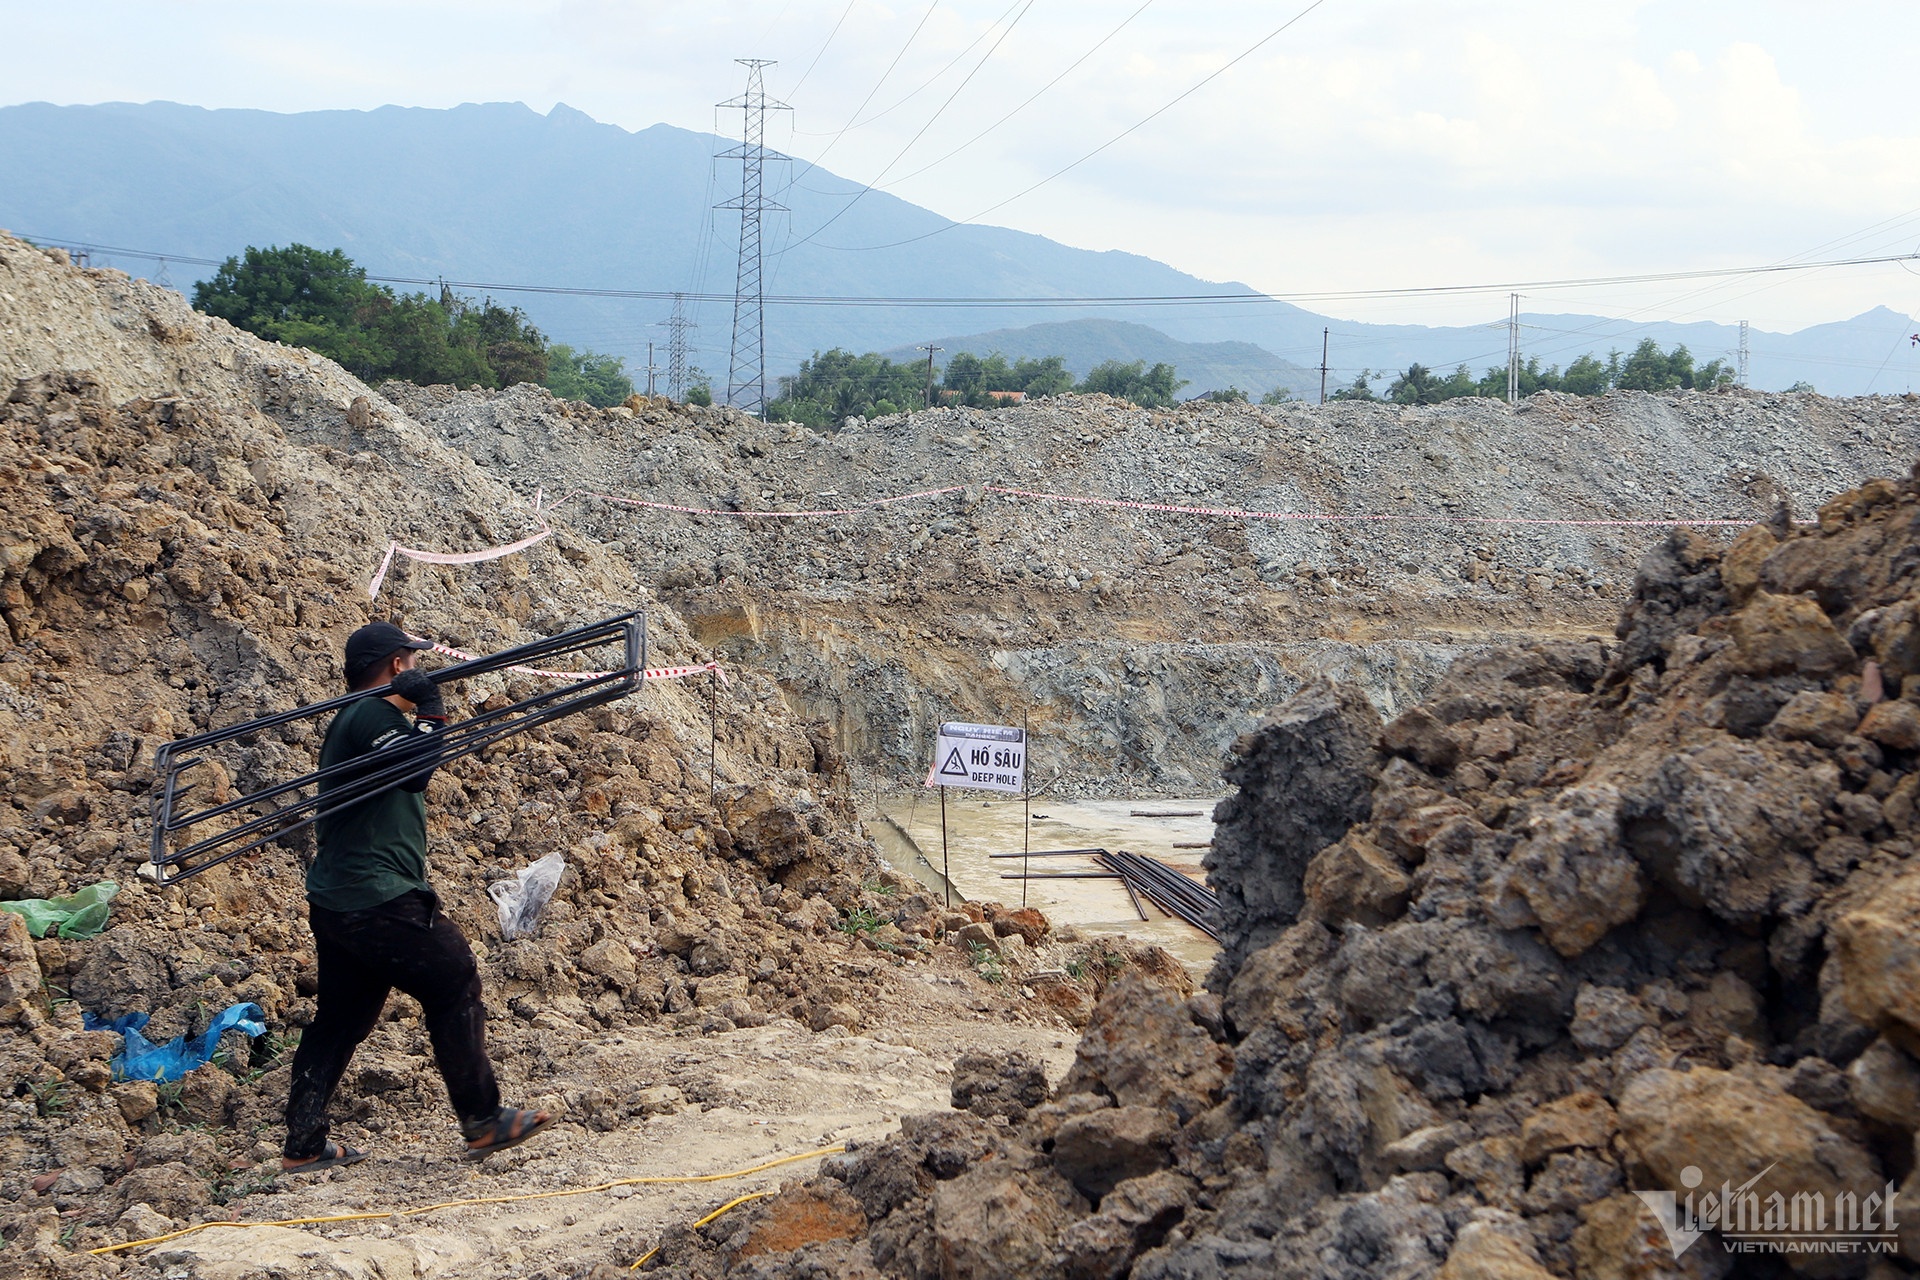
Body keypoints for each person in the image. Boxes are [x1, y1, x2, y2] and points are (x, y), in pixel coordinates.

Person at [281, 620, 554, 1172]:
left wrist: (424, 714)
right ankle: (483, 1120)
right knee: (453, 977)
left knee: (339, 1020)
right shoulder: (371, 715)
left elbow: (403, 768)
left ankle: (303, 1144)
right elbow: (416, 770)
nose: (418, 668)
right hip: (377, 895)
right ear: (398, 667)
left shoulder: (356, 719)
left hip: (339, 898)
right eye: (412, 661)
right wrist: (432, 710)